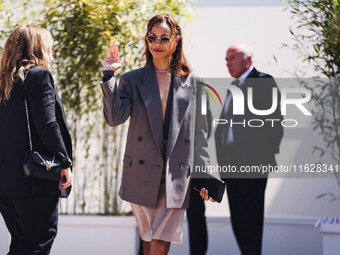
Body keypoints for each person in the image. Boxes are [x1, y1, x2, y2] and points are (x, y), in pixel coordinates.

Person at [100, 14, 209, 255]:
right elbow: (114, 117)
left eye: (163, 38)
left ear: (176, 40)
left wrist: (206, 175)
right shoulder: (131, 79)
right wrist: (109, 77)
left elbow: (201, 134)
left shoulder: (194, 82)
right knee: (149, 239)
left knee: (161, 241)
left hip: (176, 174)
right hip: (141, 173)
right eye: (152, 37)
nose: (156, 43)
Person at [0, 25, 73, 254]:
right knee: (37, 245)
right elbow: (47, 124)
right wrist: (65, 162)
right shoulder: (39, 76)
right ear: (39, 48)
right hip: (34, 179)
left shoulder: (4, 83)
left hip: (6, 183)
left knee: (22, 245)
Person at [209, 42, 283, 255]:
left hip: (253, 162)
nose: (228, 62)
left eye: (232, 57)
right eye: (225, 59)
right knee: (238, 217)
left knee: (250, 217)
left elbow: (274, 122)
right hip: (230, 163)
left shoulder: (263, 82)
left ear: (248, 59)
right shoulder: (234, 86)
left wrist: (264, 154)